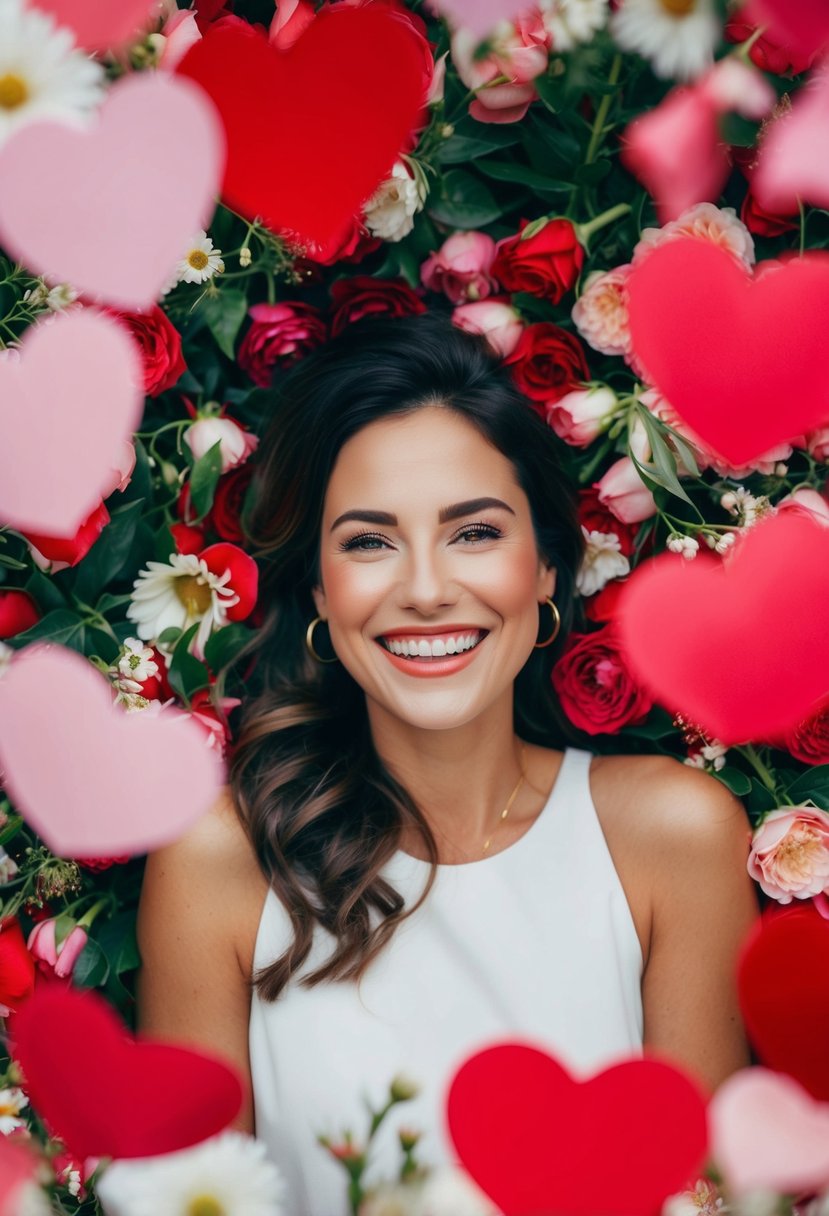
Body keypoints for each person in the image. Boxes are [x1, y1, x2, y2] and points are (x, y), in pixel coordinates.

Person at [136, 315, 759, 1214]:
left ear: (545, 567)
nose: (425, 588)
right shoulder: (221, 862)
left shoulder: (672, 837)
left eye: (472, 532)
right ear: (317, 588)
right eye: (368, 541)